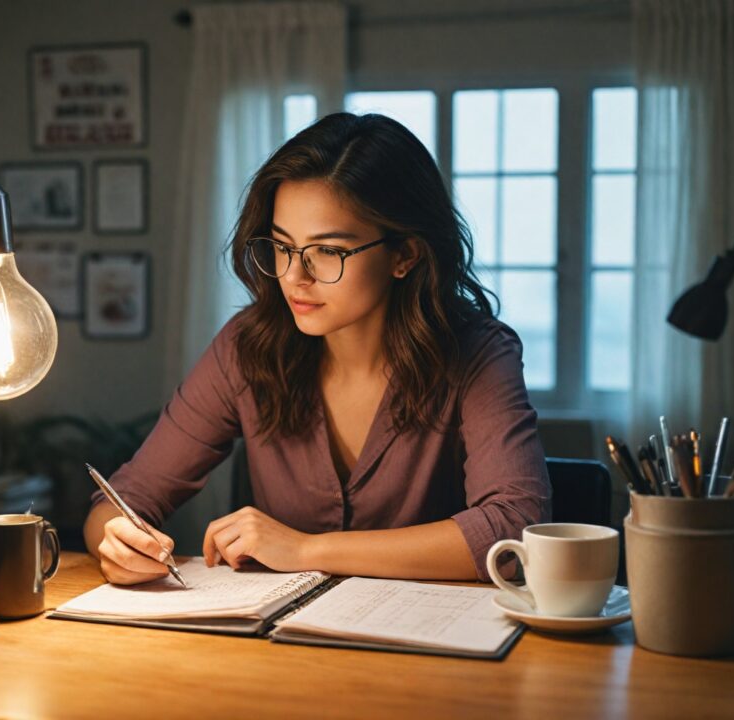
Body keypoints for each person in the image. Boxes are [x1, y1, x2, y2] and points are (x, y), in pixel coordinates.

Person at [84, 112, 551, 585]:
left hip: (431, 650)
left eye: (328, 251)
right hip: (281, 648)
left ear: (405, 255)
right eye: (283, 246)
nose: (294, 277)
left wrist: (306, 548)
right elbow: (125, 497)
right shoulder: (246, 348)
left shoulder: (478, 354)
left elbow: (513, 532)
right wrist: (119, 540)